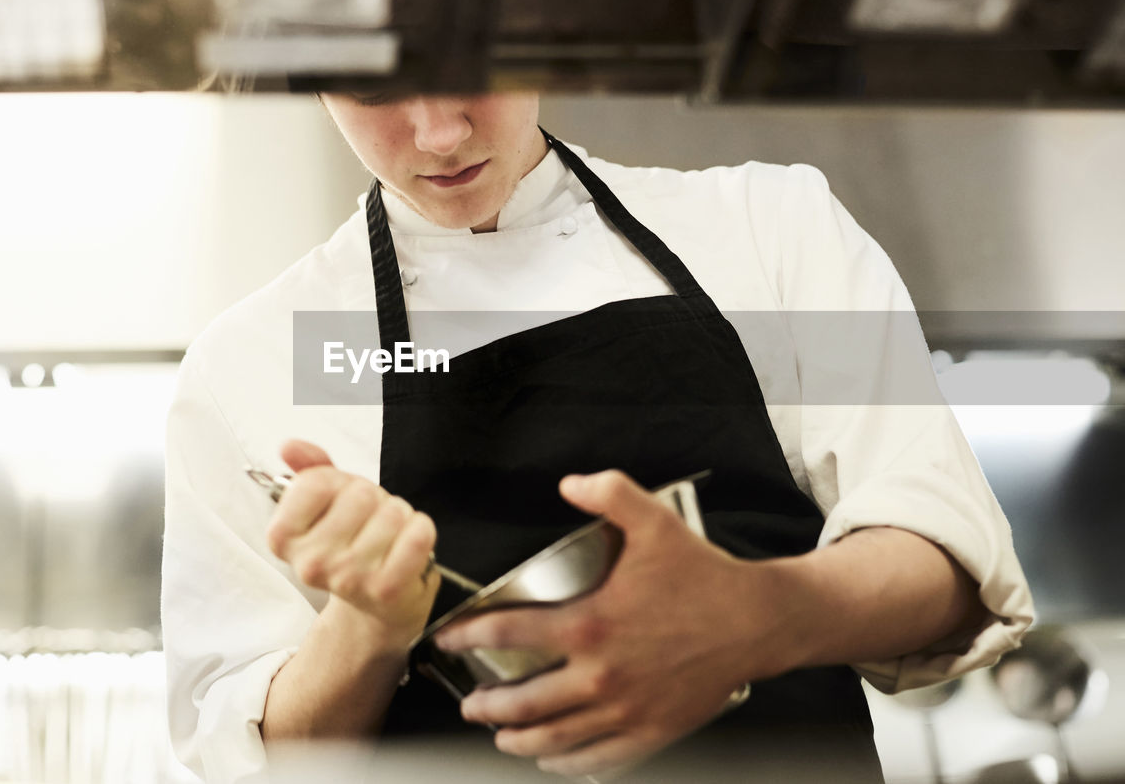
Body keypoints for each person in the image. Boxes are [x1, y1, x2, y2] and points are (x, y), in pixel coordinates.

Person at [161, 92, 1034, 783]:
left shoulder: (770, 230)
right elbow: (258, 756)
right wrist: (368, 623)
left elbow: (948, 561)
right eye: (373, 87)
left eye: (470, 60)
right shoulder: (255, 361)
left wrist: (758, 616)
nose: (436, 132)